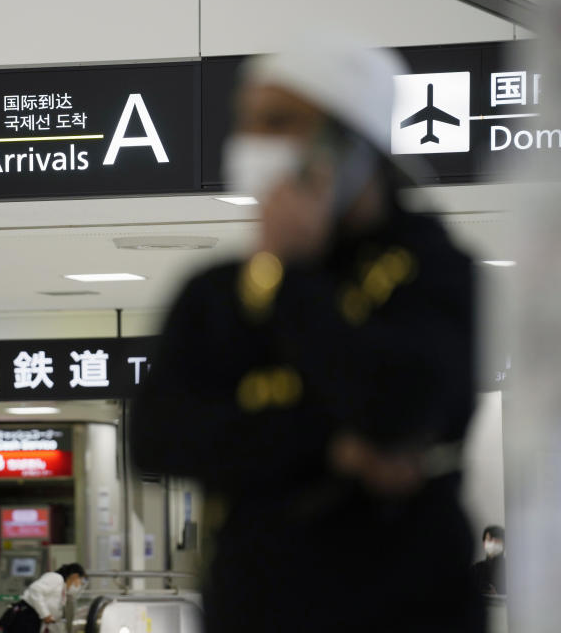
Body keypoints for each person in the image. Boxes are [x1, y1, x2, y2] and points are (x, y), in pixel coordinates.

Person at [131, 40, 482, 632]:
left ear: (348, 142)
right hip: (253, 607)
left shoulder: (432, 270)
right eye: (246, 122)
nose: (252, 142)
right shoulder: (216, 293)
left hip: (408, 608)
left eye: (278, 122)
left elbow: (399, 407)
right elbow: (157, 438)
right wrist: (331, 448)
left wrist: (292, 280)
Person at [0, 563, 86, 633]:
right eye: (80, 581)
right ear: (74, 576)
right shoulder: (56, 578)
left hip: (33, 621)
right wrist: (45, 614)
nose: (79, 585)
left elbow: (54, 621)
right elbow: (35, 590)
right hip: (25, 617)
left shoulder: (62, 591)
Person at [470, 525, 506, 595]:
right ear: (484, 543)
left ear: (504, 544)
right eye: (489, 540)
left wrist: (497, 595)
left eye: (497, 540)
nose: (493, 543)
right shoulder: (475, 569)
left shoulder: (512, 569)